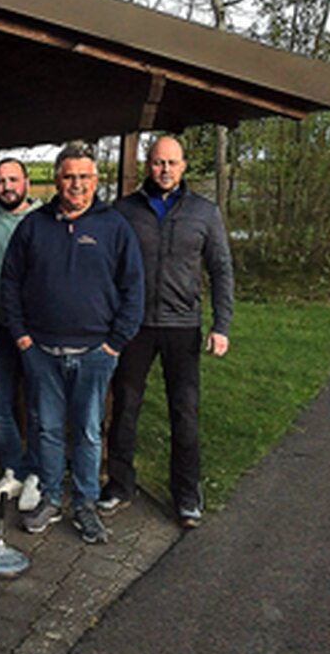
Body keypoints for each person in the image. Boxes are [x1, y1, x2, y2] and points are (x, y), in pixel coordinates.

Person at [0, 144, 143, 544]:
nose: (76, 184)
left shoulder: (113, 227)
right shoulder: (33, 225)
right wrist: (22, 336)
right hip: (41, 350)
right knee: (45, 429)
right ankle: (49, 497)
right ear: (56, 180)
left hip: (95, 352)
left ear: (95, 181)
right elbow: (10, 283)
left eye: (84, 177)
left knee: (87, 432)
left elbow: (134, 288)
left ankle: (84, 503)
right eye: (68, 176)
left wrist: (115, 343)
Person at [99, 136, 234, 528]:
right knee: (125, 407)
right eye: (158, 163)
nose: (165, 170)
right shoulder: (124, 211)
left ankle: (187, 494)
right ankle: (120, 483)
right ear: (148, 165)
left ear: (184, 166)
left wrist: (220, 324)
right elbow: (107, 268)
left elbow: (222, 270)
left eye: (172, 163)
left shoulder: (205, 213)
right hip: (135, 326)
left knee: (185, 412)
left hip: (182, 326)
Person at [0, 158, 43, 512]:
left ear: (26, 182)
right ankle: (15, 468)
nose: (7, 186)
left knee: (36, 404)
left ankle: (36, 474)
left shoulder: (44, 218)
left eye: (13, 180)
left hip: (35, 329)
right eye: (1, 181)